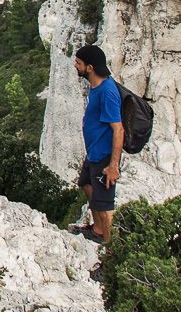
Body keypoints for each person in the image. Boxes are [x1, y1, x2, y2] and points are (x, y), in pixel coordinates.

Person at [71, 44, 123, 245]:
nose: (75, 66)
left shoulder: (107, 92)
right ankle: (98, 229)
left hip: (104, 157)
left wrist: (113, 166)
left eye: (78, 63)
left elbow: (118, 130)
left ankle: (110, 254)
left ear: (90, 67)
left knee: (105, 206)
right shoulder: (95, 86)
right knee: (85, 183)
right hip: (93, 153)